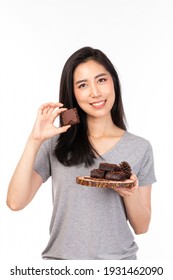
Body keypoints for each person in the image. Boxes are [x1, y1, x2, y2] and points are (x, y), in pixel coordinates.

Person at [7, 46, 156, 260]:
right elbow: (15, 202)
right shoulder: (56, 145)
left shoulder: (140, 147)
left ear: (113, 81)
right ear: (73, 93)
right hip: (63, 266)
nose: (95, 92)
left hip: (118, 267)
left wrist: (130, 193)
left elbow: (142, 227)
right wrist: (35, 140)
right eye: (83, 85)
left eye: (101, 80)